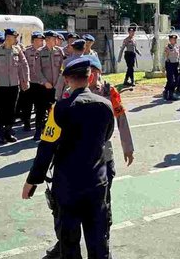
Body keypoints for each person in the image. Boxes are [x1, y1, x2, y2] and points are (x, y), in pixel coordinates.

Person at [22, 58, 114, 259]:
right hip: (96, 183)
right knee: (99, 240)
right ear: (90, 77)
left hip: (67, 185)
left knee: (69, 242)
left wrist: (32, 180)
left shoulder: (60, 108)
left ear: (66, 80)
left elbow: (46, 148)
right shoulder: (105, 105)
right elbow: (106, 137)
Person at [44, 55, 134, 259]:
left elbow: (120, 117)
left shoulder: (108, 91)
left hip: (101, 160)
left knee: (101, 209)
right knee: (67, 213)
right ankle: (63, 244)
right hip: (73, 163)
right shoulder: (69, 94)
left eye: (95, 71)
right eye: (89, 71)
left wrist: (127, 146)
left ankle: (103, 246)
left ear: (98, 73)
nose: (91, 75)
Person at [0, 28, 30, 144]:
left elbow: (25, 65)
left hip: (14, 85)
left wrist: (26, 80)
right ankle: (0, 134)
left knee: (11, 111)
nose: (15, 40)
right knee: (1, 111)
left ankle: (8, 133)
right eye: (14, 37)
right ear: (8, 38)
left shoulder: (17, 50)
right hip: (0, 86)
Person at [36, 31, 65, 139]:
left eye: (56, 39)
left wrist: (59, 82)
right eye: (54, 39)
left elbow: (62, 68)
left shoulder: (59, 51)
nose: (56, 41)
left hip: (57, 86)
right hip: (44, 86)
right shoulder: (39, 52)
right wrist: (45, 82)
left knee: (55, 109)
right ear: (47, 40)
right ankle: (39, 130)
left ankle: (55, 130)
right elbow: (37, 70)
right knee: (41, 109)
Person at [21, 32, 46, 132]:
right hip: (30, 81)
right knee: (27, 104)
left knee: (40, 105)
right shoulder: (26, 51)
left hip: (41, 82)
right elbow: (22, 66)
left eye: (41, 40)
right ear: (33, 41)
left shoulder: (45, 51)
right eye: (38, 40)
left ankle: (39, 125)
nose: (40, 42)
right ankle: (26, 123)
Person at [163, 34, 180, 101]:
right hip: (170, 64)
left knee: (176, 79)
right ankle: (170, 93)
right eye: (174, 39)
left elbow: (178, 57)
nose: (175, 40)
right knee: (171, 80)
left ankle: (168, 91)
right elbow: (165, 56)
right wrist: (163, 67)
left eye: (176, 39)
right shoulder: (168, 47)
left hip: (176, 64)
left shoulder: (176, 47)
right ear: (170, 40)